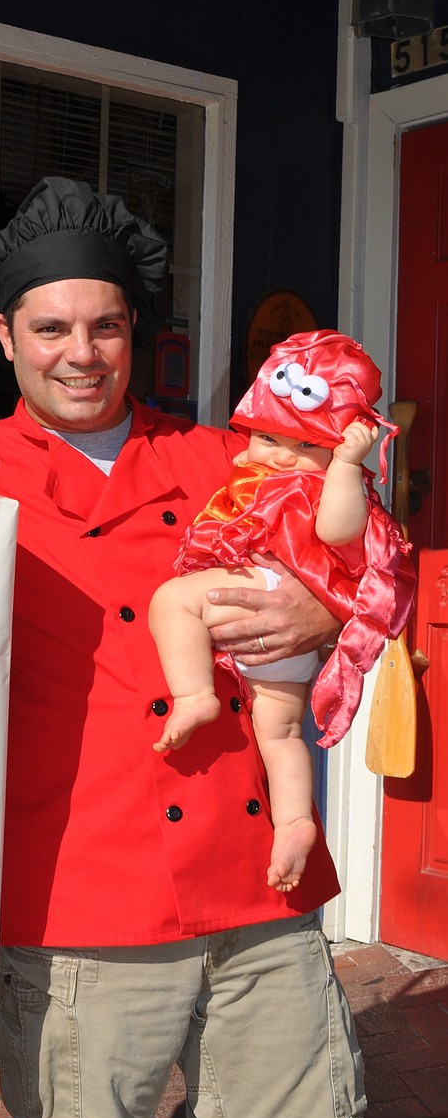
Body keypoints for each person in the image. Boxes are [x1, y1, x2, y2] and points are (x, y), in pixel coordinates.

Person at [0, 177, 375, 1118]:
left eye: (105, 326)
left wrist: (325, 613)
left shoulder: (233, 463)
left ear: (135, 333)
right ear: (2, 336)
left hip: (258, 874)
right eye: (50, 328)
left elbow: (371, 560)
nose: (79, 352)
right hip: (81, 898)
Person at [149, 332, 415, 893]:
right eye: (268, 438)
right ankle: (294, 820)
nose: (278, 455)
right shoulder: (263, 466)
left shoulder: (328, 485)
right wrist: (263, 450)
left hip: (275, 585)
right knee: (282, 732)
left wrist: (344, 467)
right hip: (281, 647)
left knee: (172, 600)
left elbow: (337, 532)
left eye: (302, 446)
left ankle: (194, 693)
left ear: (338, 446)